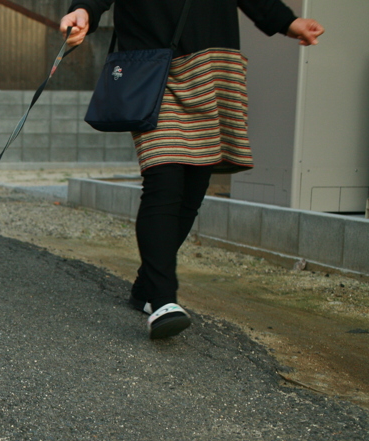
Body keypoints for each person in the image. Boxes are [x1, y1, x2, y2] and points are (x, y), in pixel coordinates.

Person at [60, 1, 324, 339]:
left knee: (193, 187)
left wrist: (288, 22)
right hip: (152, 68)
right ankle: (162, 300)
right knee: (164, 178)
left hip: (213, 66)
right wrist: (84, 10)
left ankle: (145, 286)